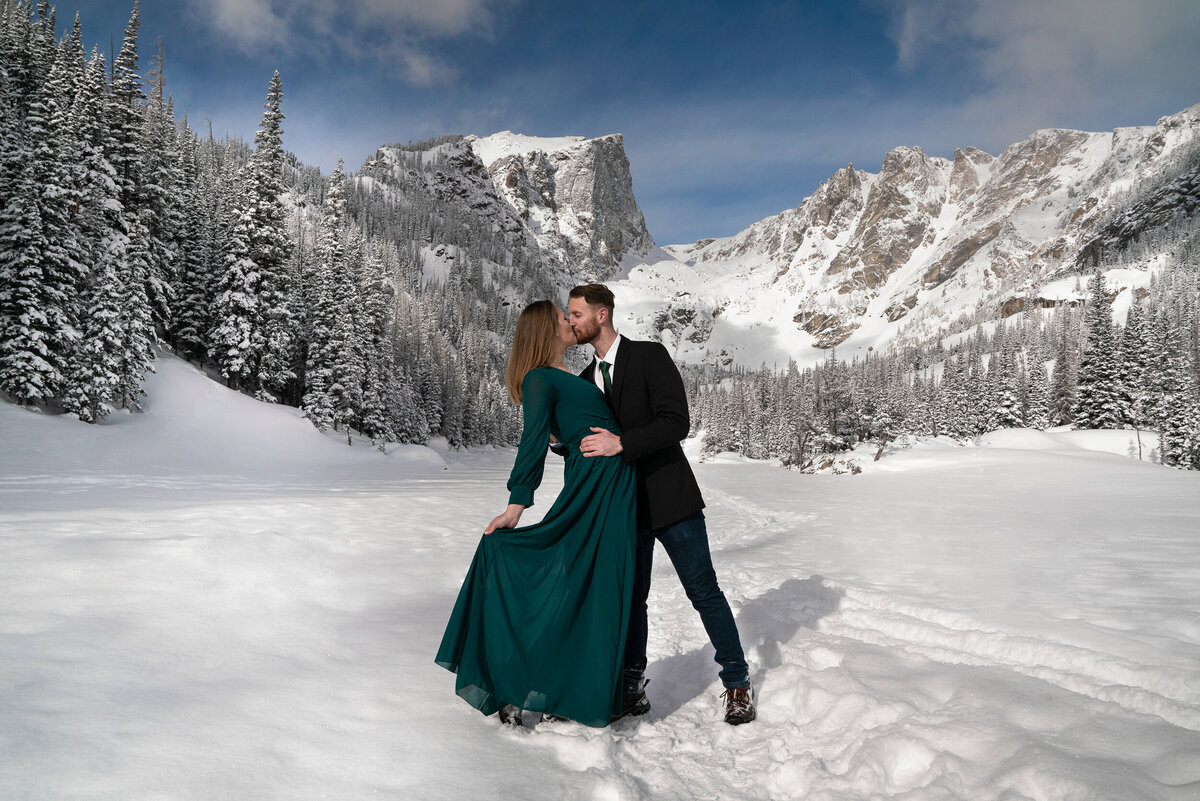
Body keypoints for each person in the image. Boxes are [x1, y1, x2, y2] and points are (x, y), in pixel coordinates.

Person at [435, 300, 636, 728]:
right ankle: (515, 683)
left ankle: (569, 687)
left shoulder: (566, 376)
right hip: (594, 487)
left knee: (597, 583)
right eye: (562, 318)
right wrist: (516, 503)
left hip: (611, 483)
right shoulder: (539, 378)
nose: (569, 321)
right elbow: (532, 441)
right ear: (546, 331)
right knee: (568, 577)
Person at [569, 283, 757, 726]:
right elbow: (589, 441)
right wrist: (562, 443)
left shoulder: (650, 356)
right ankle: (632, 689)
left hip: (672, 500)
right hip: (625, 508)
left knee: (703, 592)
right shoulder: (583, 381)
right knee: (633, 599)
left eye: (576, 313)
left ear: (602, 314)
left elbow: (677, 422)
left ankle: (737, 682)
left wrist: (623, 442)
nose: (570, 322)